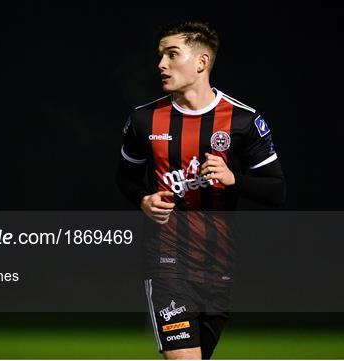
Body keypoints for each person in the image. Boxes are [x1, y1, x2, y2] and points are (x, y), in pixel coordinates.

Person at [116, 20, 286, 359]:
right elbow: (125, 177)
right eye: (160, 55)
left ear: (201, 62)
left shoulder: (243, 121)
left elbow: (276, 191)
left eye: (171, 54)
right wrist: (143, 200)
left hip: (219, 264)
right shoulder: (144, 120)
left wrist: (233, 179)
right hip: (166, 262)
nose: (161, 64)